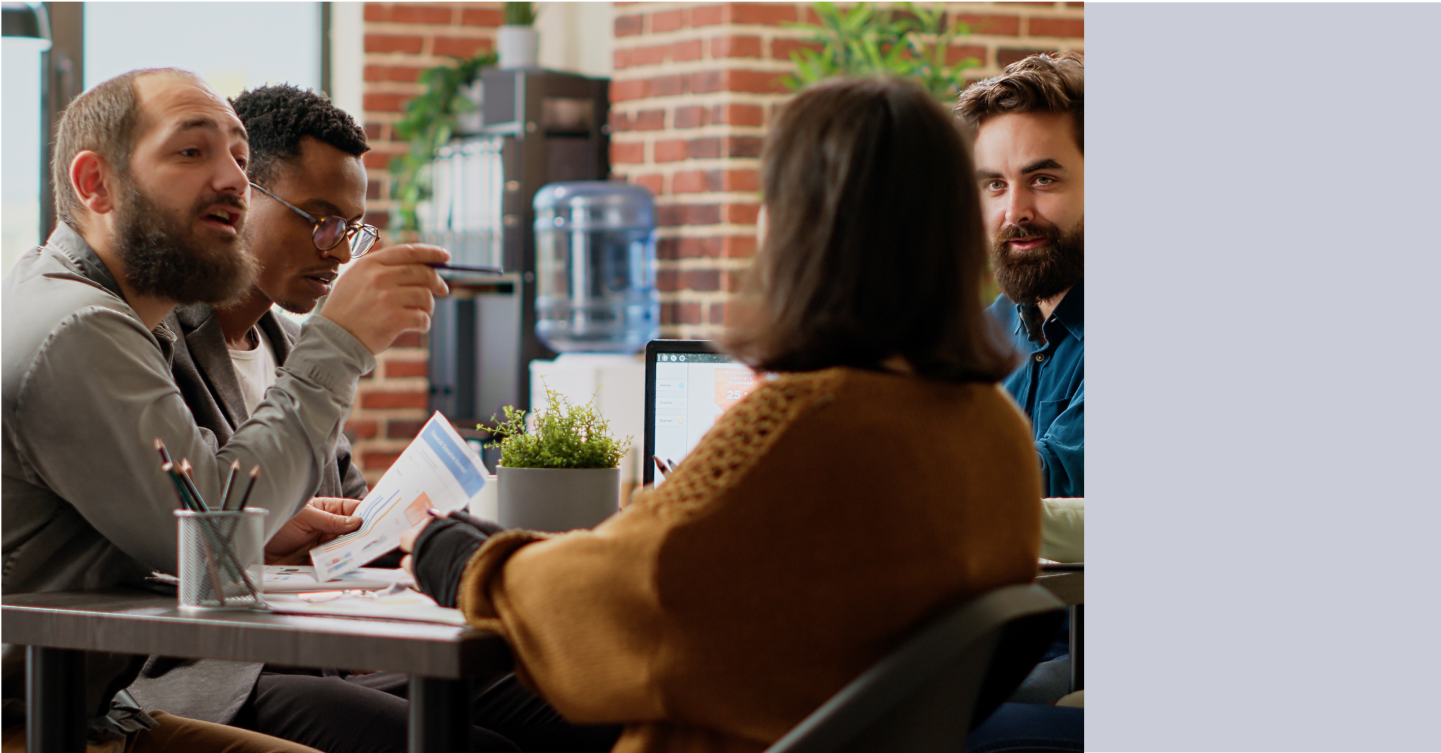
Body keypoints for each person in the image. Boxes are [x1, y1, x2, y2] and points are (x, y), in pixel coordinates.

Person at [401, 76, 1043, 753]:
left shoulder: (801, 428)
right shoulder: (992, 429)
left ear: (797, 227)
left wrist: (465, 560)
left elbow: (631, 598)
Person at [122, 83, 616, 753]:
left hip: (315, 651)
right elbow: (169, 525)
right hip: (213, 675)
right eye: (316, 216)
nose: (336, 248)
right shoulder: (159, 344)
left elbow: (352, 515)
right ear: (239, 195)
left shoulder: (290, 348)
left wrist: (428, 535)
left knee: (579, 701)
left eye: (350, 228)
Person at [1, 67, 450, 751]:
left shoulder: (107, 317)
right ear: (96, 184)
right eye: (192, 151)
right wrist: (342, 340)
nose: (233, 178)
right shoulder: (77, 326)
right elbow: (216, 540)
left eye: (240, 157)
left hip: (88, 707)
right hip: (34, 718)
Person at [956, 51, 1085, 500]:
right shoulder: (985, 334)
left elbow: (1052, 479)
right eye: (996, 184)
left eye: (1043, 179)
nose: (1015, 213)